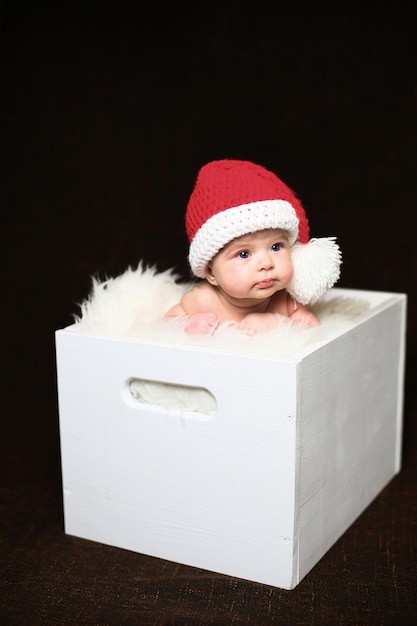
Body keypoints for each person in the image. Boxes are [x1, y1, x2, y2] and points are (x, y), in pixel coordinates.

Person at [164, 159, 342, 335]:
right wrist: (188, 324)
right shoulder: (202, 300)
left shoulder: (286, 300)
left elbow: (314, 330)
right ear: (211, 273)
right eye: (243, 254)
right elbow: (165, 324)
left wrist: (277, 322)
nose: (266, 263)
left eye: (276, 247)